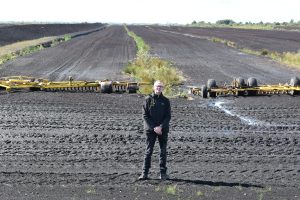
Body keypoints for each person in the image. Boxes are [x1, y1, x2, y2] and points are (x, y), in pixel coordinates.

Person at [138, 80, 171, 180]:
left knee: (163, 151)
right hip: (150, 130)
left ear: (163, 88)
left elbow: (168, 116)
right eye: (157, 86)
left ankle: (163, 173)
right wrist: (154, 127)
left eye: (160, 86)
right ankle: (144, 173)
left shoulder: (166, 101)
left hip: (163, 130)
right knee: (148, 151)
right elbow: (145, 115)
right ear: (153, 87)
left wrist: (160, 127)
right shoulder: (148, 99)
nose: (158, 88)